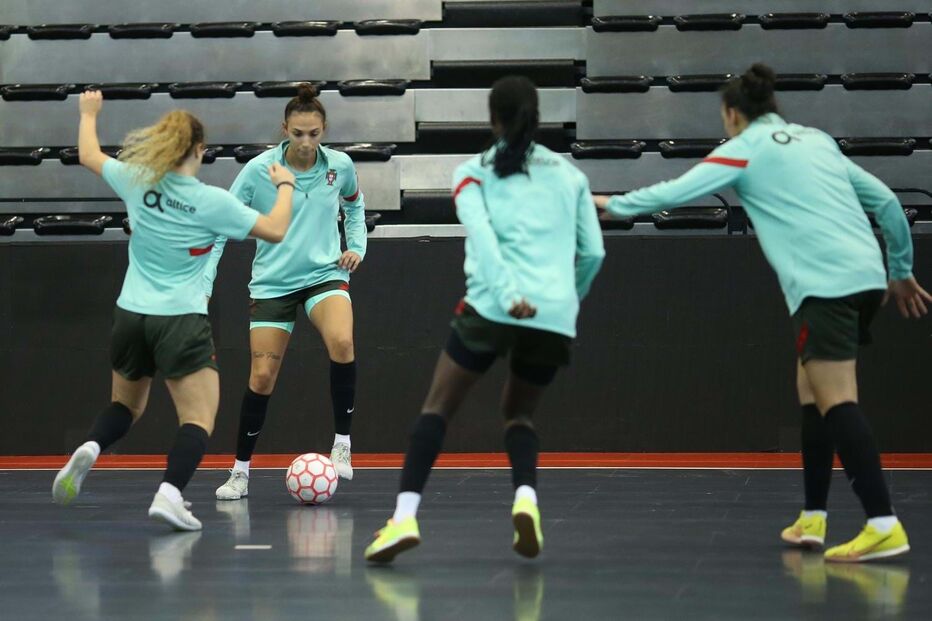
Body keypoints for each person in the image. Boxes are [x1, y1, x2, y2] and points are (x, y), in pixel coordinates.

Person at [596, 63, 931, 562]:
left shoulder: (743, 150)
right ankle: (813, 519)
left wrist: (612, 205)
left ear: (732, 115)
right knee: (811, 390)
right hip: (865, 278)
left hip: (825, 286)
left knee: (838, 400)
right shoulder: (816, 141)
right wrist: (900, 269)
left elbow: (673, 193)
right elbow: (885, 202)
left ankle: (883, 524)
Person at [364, 76, 605, 563]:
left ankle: (404, 517)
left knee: (437, 408)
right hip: (552, 317)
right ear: (537, 116)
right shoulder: (571, 176)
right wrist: (564, 302)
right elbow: (594, 253)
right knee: (518, 413)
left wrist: (511, 294)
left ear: (492, 119)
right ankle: (526, 500)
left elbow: (485, 240)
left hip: (493, 307)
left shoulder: (473, 171)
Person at [51, 91, 297, 531]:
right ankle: (170, 493)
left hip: (130, 316)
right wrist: (285, 185)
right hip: (181, 320)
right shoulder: (211, 201)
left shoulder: (137, 179)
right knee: (198, 417)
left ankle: (90, 446)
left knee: (124, 407)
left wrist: (89, 112)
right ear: (200, 150)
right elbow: (276, 230)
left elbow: (88, 153)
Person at [206, 83, 367, 500]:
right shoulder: (260, 170)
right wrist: (206, 276)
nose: (306, 142)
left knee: (343, 341)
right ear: (285, 129)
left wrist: (356, 246)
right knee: (261, 377)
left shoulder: (340, 166)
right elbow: (224, 222)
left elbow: (354, 204)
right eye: (298, 134)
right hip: (273, 283)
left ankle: (343, 445)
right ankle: (240, 472)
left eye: (314, 133)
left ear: (324, 129)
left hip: (324, 275)